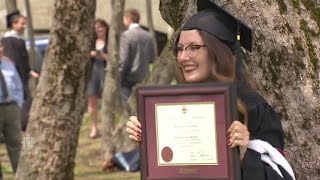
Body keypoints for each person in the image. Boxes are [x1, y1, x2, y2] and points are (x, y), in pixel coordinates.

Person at [126, 2, 295, 180]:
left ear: (217, 51)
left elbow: (278, 176)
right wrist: (147, 136)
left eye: (193, 47)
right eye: (180, 48)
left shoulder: (254, 108)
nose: (183, 57)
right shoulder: (173, 107)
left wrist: (245, 152)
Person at [1, 10, 39, 131]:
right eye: (22, 23)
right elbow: (13, 62)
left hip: (22, 78)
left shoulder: (18, 40)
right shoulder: (9, 41)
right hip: (16, 81)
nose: (24, 26)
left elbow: (22, 61)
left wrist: (29, 71)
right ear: (14, 24)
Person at [119, 8, 155, 101]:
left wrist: (119, 77)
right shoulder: (148, 36)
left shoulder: (126, 35)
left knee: (128, 109)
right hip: (144, 77)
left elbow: (124, 59)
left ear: (128, 19)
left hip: (128, 78)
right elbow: (152, 58)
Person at [0, 40, 23, 174]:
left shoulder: (9, 65)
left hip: (11, 108)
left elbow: (18, 85)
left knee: (16, 142)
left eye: (1, 46)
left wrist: (18, 104)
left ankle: (21, 173)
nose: (1, 49)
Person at [86, 19, 109, 138]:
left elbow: (114, 59)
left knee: (108, 101)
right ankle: (94, 127)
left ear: (105, 27)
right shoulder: (91, 42)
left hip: (106, 73)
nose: (99, 29)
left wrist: (103, 55)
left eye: (101, 27)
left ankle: (109, 127)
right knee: (92, 102)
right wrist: (90, 54)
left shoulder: (111, 41)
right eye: (96, 28)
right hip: (92, 74)